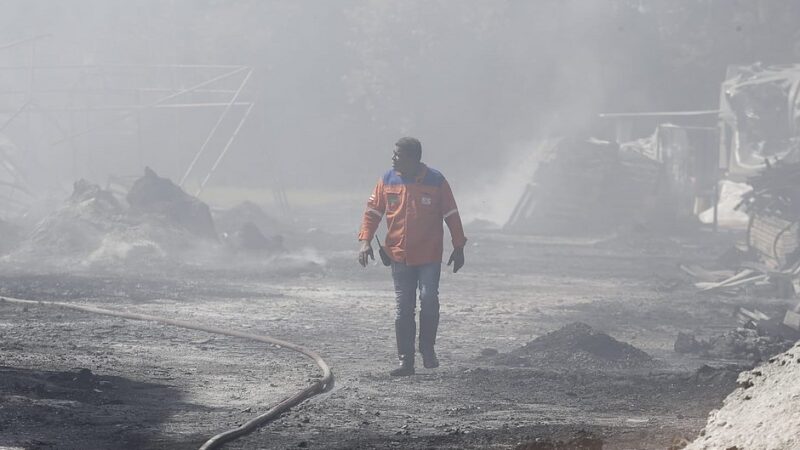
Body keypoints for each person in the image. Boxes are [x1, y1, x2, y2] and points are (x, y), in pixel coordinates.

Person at [358, 137, 467, 376]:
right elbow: (373, 213)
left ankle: (427, 349)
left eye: (398, 155)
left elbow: (451, 214)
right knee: (403, 307)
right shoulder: (387, 180)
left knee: (429, 299)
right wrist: (365, 241)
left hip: (429, 255)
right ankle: (405, 361)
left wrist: (458, 246)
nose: (393, 158)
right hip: (399, 255)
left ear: (413, 158)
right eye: (394, 154)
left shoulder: (436, 181)